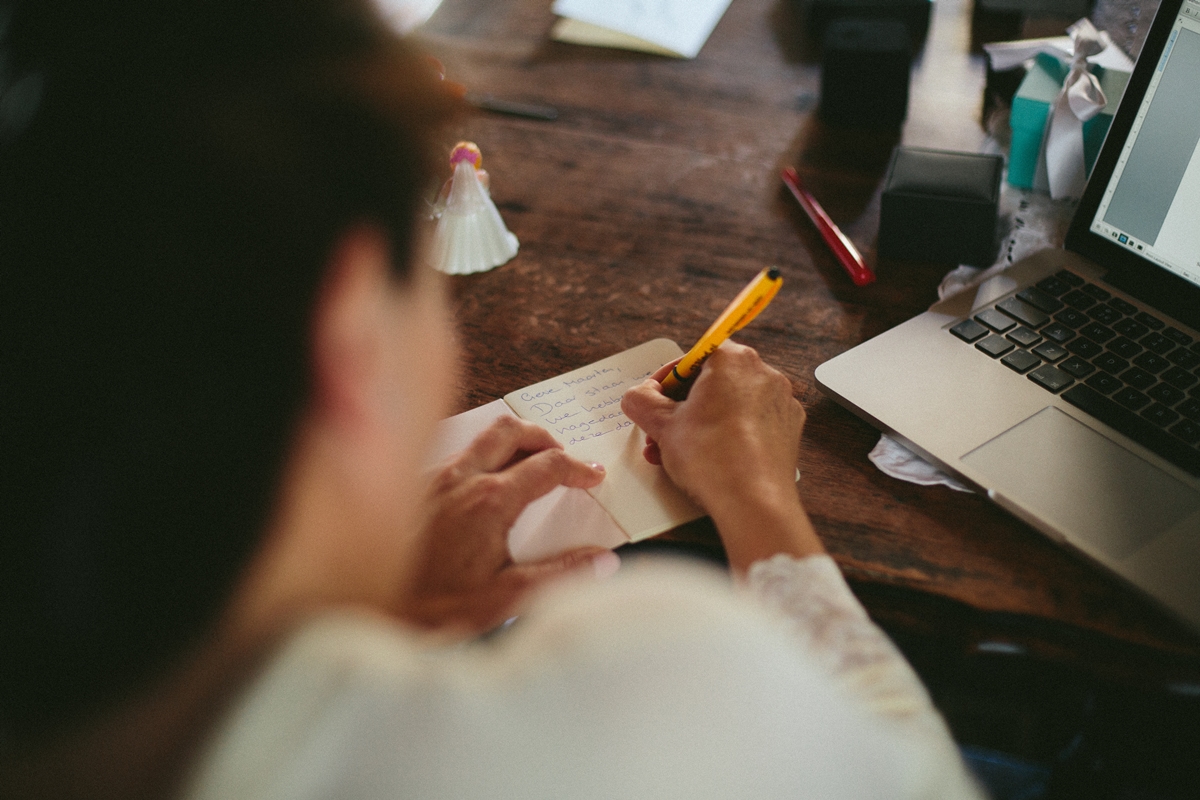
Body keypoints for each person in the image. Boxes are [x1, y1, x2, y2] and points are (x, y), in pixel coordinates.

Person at [0, 2, 983, 798]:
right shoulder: (662, 685)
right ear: (348, 335)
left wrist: (381, 617)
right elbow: (911, 767)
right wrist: (760, 496)